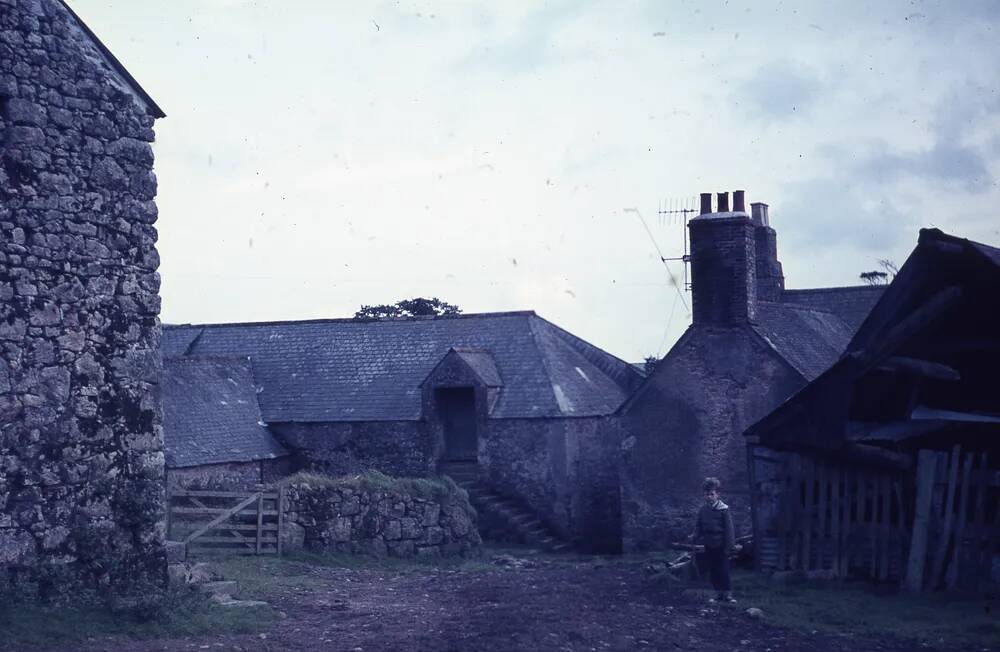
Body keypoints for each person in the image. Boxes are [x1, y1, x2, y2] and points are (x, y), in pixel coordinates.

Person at [692, 476, 737, 603]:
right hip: (708, 543)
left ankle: (727, 594)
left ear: (717, 494)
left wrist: (730, 546)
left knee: (722, 568)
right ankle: (718, 593)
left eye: (711, 494)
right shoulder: (703, 510)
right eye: (706, 494)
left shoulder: (724, 509)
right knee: (713, 570)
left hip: (721, 544)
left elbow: (729, 529)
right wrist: (695, 535)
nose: (709, 497)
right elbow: (698, 525)